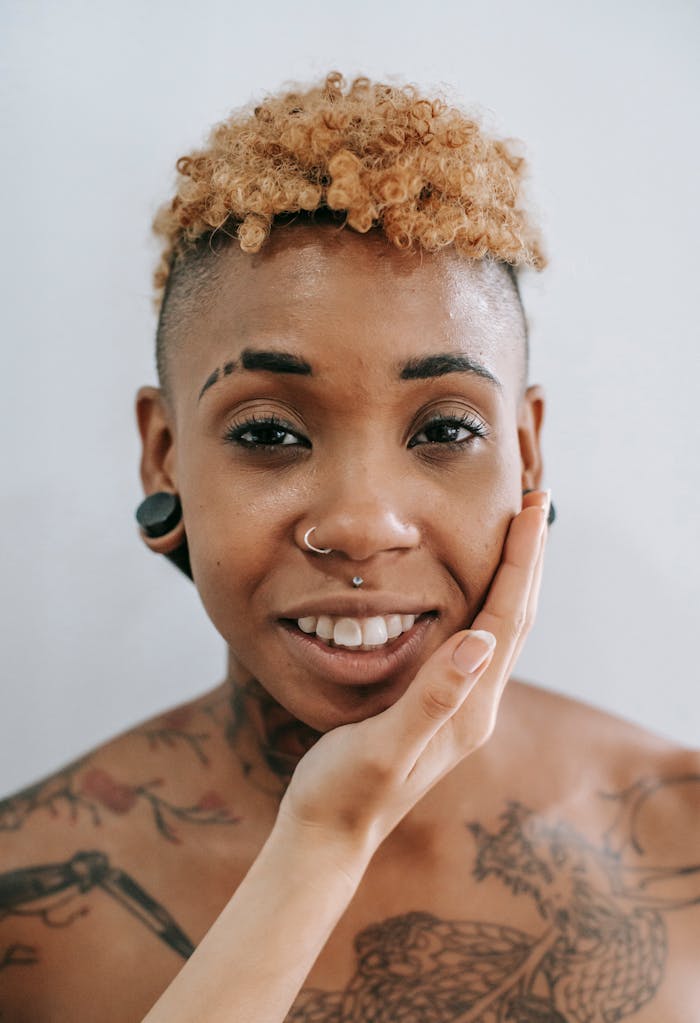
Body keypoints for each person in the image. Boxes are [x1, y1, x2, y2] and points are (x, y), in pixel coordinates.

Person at [0, 72, 697, 1023]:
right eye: (269, 434)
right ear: (163, 456)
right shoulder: (31, 904)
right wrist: (324, 835)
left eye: (445, 429)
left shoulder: (685, 833)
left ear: (526, 452)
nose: (366, 523)